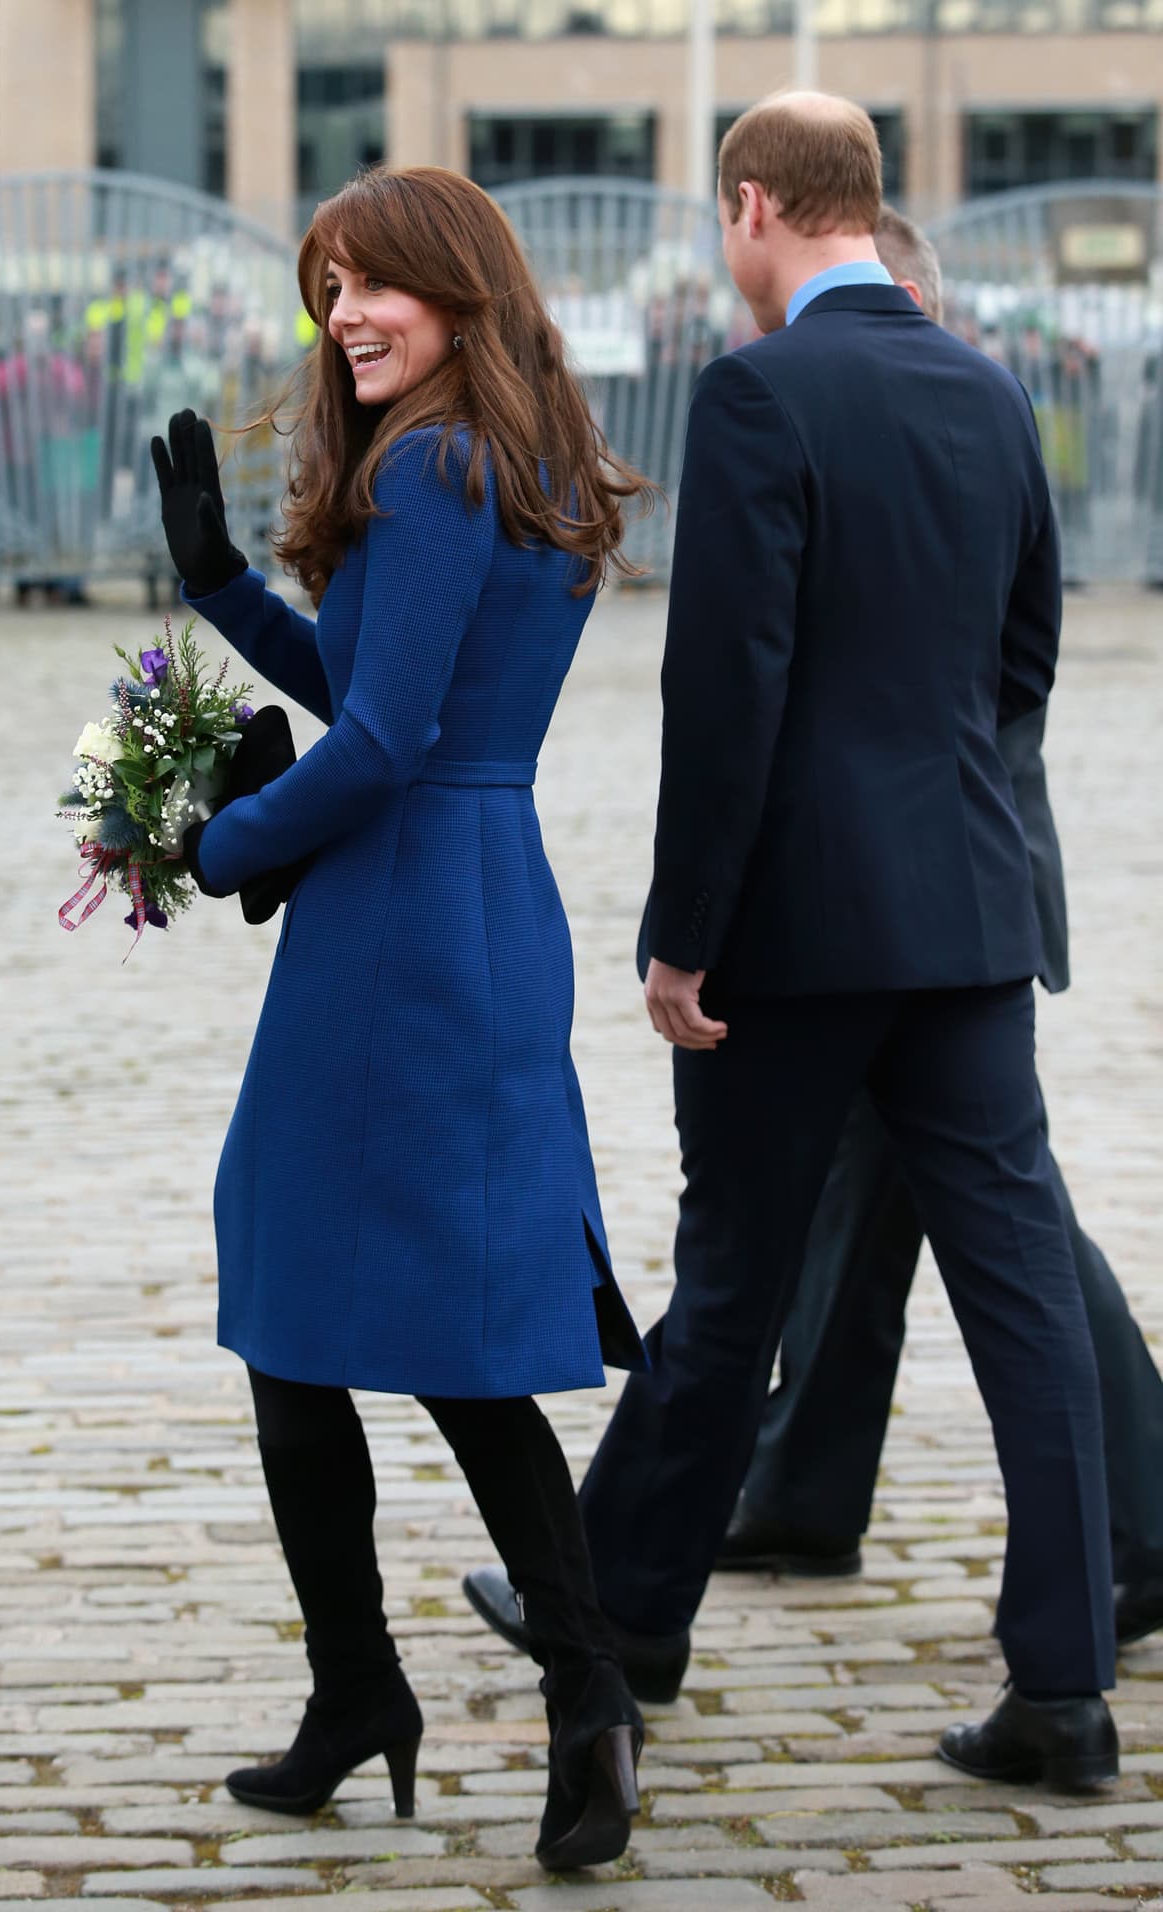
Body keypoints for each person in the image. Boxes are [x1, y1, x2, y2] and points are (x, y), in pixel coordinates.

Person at [465, 91, 1121, 1793]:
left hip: (802, 934)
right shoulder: (992, 389)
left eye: (722, 219)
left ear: (756, 205)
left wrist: (682, 938)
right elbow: (1025, 660)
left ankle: (624, 1616)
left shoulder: (756, 393)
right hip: (967, 917)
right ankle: (1063, 1687)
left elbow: (726, 696)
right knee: (1023, 1302)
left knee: (730, 1281)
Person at [149, 164, 654, 1871]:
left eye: (375, 284)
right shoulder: (507, 451)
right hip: (470, 896)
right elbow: (395, 698)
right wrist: (226, 589)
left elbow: (376, 747)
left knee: (324, 1305)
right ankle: (505, 1696)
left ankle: (450, 1689)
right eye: (329, 288)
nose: (345, 314)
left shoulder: (435, 463)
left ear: (457, 290)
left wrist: (218, 846)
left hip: (397, 923)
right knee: (415, 1318)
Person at [709, 209, 1163, 1647]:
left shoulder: (949, 416)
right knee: (867, 1202)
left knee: (1018, 1229)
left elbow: (1010, 671)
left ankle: (1149, 1522)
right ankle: (802, 1484)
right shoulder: (941, 415)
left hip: (928, 892)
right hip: (930, 884)